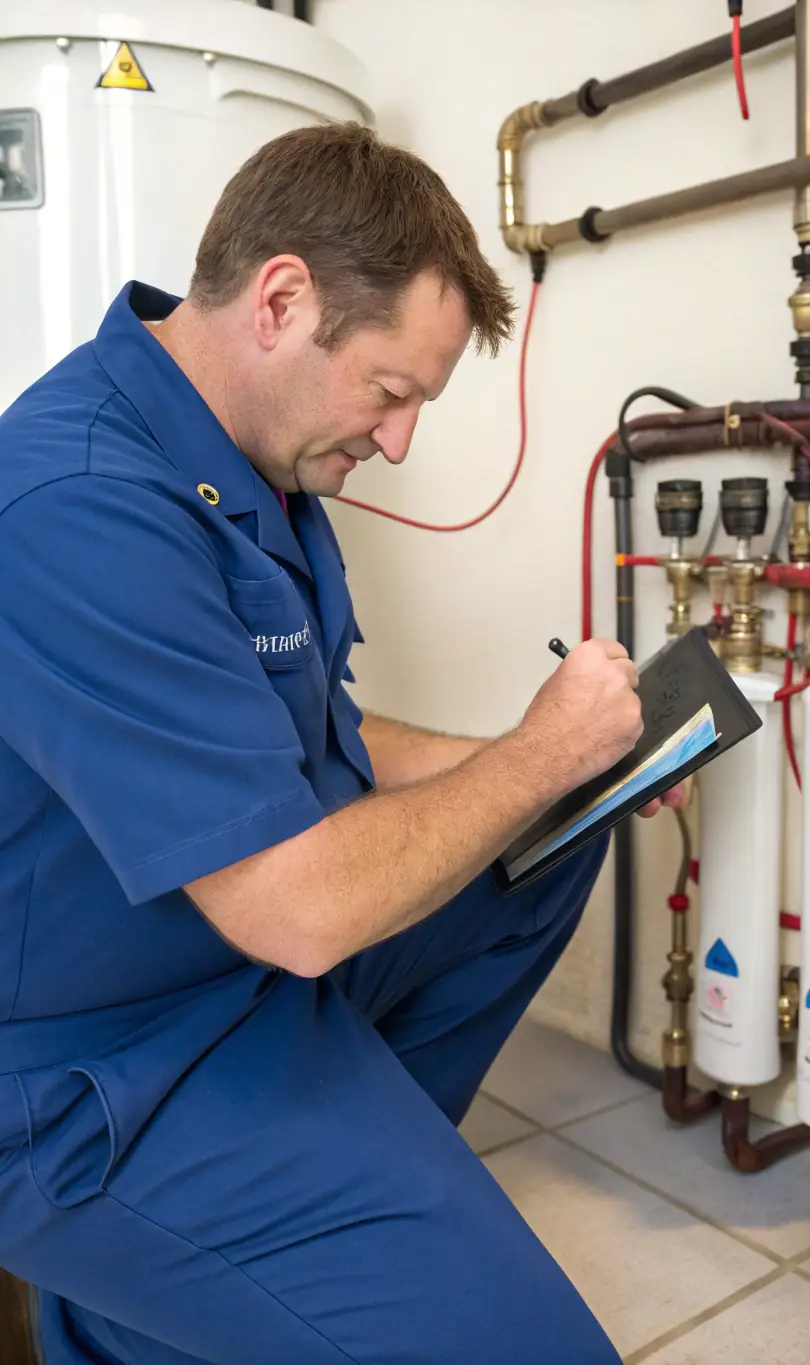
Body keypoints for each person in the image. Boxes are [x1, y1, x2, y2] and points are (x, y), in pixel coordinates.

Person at [0, 122, 685, 1365]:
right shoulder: (79, 505)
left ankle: (302, 1227)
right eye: (391, 390)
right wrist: (536, 750)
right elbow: (298, 909)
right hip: (95, 1081)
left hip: (236, 979)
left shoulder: (249, 463)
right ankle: (199, 1254)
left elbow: (326, 736)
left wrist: (559, 762)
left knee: (549, 837)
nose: (400, 440)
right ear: (280, 301)